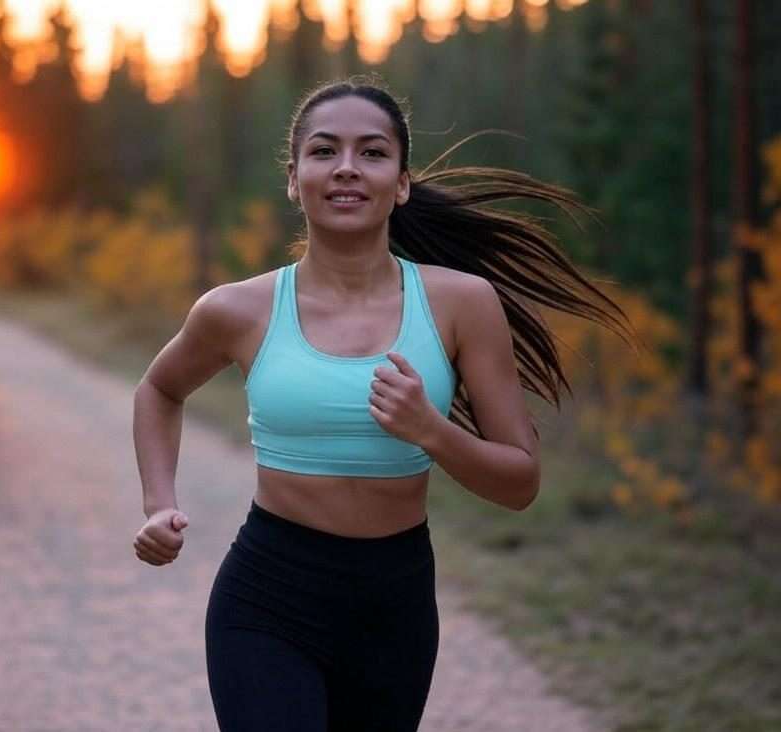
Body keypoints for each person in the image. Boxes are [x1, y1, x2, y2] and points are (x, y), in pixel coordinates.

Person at [131, 75, 633, 731]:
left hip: (392, 606)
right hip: (266, 598)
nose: (346, 168)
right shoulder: (237, 309)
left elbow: (520, 482)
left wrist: (431, 431)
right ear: (293, 178)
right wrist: (158, 503)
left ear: (400, 182)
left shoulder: (462, 303)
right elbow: (159, 389)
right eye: (323, 151)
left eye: (371, 152)